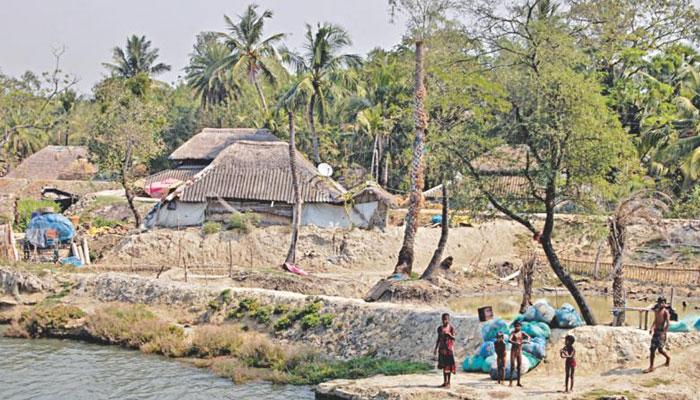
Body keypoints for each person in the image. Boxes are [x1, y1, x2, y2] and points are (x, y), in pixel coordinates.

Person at [644, 296, 671, 373]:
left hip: (661, 333)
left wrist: (663, 333)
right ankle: (651, 367)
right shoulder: (657, 311)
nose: (661, 304)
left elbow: (668, 324)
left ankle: (668, 358)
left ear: (665, 303)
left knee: (660, 350)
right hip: (656, 332)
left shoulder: (666, 312)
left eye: (662, 302)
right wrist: (652, 328)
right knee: (652, 349)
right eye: (659, 302)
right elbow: (655, 320)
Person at [434, 313, 456, 388]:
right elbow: (438, 339)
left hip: (449, 350)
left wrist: (449, 335)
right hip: (442, 350)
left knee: (449, 366)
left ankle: (449, 383)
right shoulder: (440, 328)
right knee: (444, 366)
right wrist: (435, 348)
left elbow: (454, 338)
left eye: (446, 319)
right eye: (443, 319)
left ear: (449, 320)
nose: (444, 321)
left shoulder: (451, 328)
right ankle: (445, 382)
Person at [509, 321, 531, 387]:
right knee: (512, 366)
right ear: (514, 327)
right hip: (513, 351)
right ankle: (510, 382)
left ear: (520, 327)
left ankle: (518, 382)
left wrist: (527, 341)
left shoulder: (522, 333)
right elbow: (509, 340)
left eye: (518, 326)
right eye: (516, 326)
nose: (517, 327)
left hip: (519, 351)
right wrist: (516, 343)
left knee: (519, 366)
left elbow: (529, 337)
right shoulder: (513, 333)